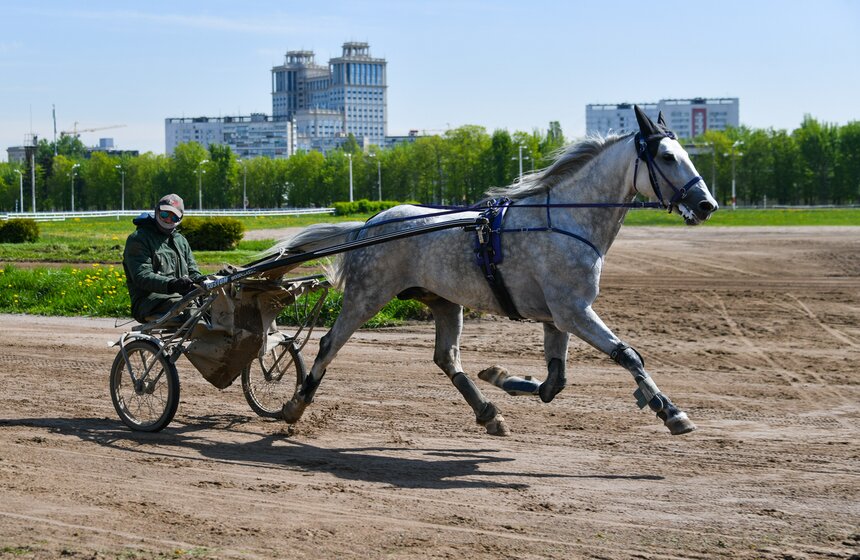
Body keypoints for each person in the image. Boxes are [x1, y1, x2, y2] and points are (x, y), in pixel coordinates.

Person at [123, 193, 203, 323]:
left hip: (181, 297)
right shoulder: (138, 239)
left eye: (174, 216)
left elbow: (193, 272)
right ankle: (205, 341)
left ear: (180, 218)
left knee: (216, 304)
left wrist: (201, 281)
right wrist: (172, 284)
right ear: (157, 212)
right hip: (148, 302)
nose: (168, 219)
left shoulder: (181, 241)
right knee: (193, 308)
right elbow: (141, 276)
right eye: (165, 214)